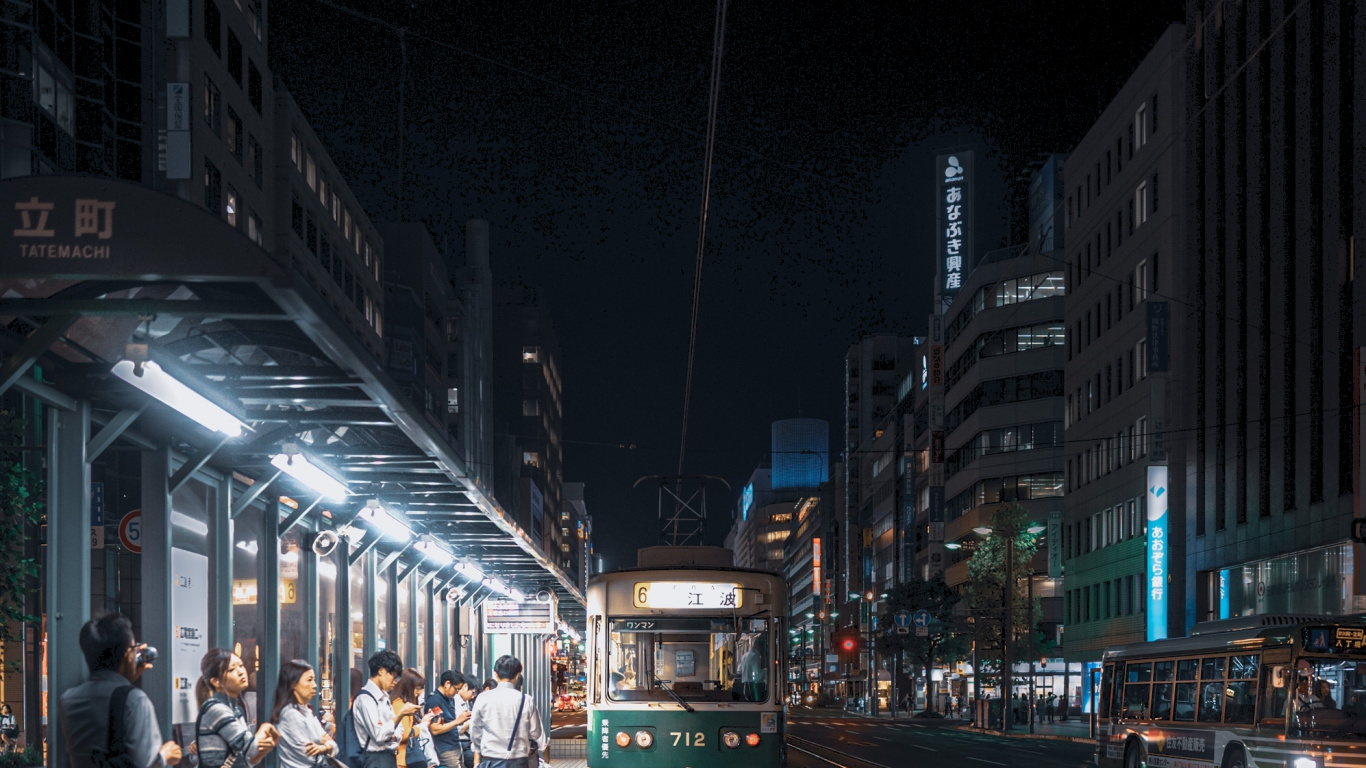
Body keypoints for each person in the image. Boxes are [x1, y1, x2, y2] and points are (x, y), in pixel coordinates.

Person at [58, 612, 182, 768]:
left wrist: (125, 678)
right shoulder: (135, 700)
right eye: (134, 649)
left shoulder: (68, 699)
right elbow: (145, 764)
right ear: (128, 656)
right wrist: (164, 756)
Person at [195, 648, 279, 767]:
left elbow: (244, 759)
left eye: (241, 665)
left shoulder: (236, 709)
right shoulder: (216, 708)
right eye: (231, 669)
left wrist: (262, 751)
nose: (241, 672)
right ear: (216, 681)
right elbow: (251, 747)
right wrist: (264, 728)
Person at [468, 656, 546, 768]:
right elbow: (535, 733)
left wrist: (477, 752)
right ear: (517, 675)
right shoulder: (526, 700)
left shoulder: (483, 698)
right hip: (518, 761)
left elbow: (475, 730)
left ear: (496, 674)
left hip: (490, 760)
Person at [354, 650, 421, 768]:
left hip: (388, 756)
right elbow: (379, 736)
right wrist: (400, 715)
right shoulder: (365, 698)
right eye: (394, 676)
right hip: (373, 759)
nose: (395, 682)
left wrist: (389, 733)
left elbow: (399, 731)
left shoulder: (384, 697)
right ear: (381, 671)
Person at [270, 659, 338, 768]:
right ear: (293, 684)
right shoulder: (290, 714)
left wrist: (323, 747)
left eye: (314, 680)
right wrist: (325, 745)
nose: (314, 685)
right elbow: (308, 757)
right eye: (309, 680)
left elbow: (335, 747)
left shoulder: (307, 711)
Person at [423, 671, 473, 768]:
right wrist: (458, 721)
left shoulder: (450, 699)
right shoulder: (434, 701)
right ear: (447, 684)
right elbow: (435, 729)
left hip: (455, 745)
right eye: (456, 689)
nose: (457, 693)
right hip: (445, 750)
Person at [392, 668, 435, 767]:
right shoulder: (399, 705)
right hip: (402, 759)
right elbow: (404, 734)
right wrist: (421, 727)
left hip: (406, 757)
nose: (418, 692)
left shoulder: (403, 702)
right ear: (407, 687)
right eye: (416, 688)